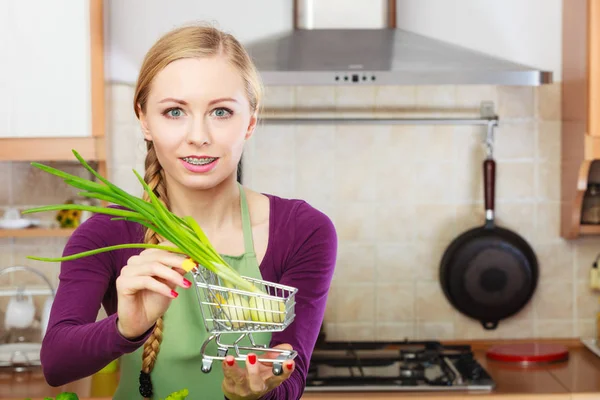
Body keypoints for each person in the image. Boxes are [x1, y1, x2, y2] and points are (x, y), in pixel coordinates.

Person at [39, 24, 337, 400]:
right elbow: (56, 363)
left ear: (250, 121)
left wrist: (253, 392)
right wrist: (125, 328)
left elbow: (290, 380)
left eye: (221, 111)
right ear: (144, 119)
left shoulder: (304, 231)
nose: (199, 135)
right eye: (175, 111)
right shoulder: (106, 233)